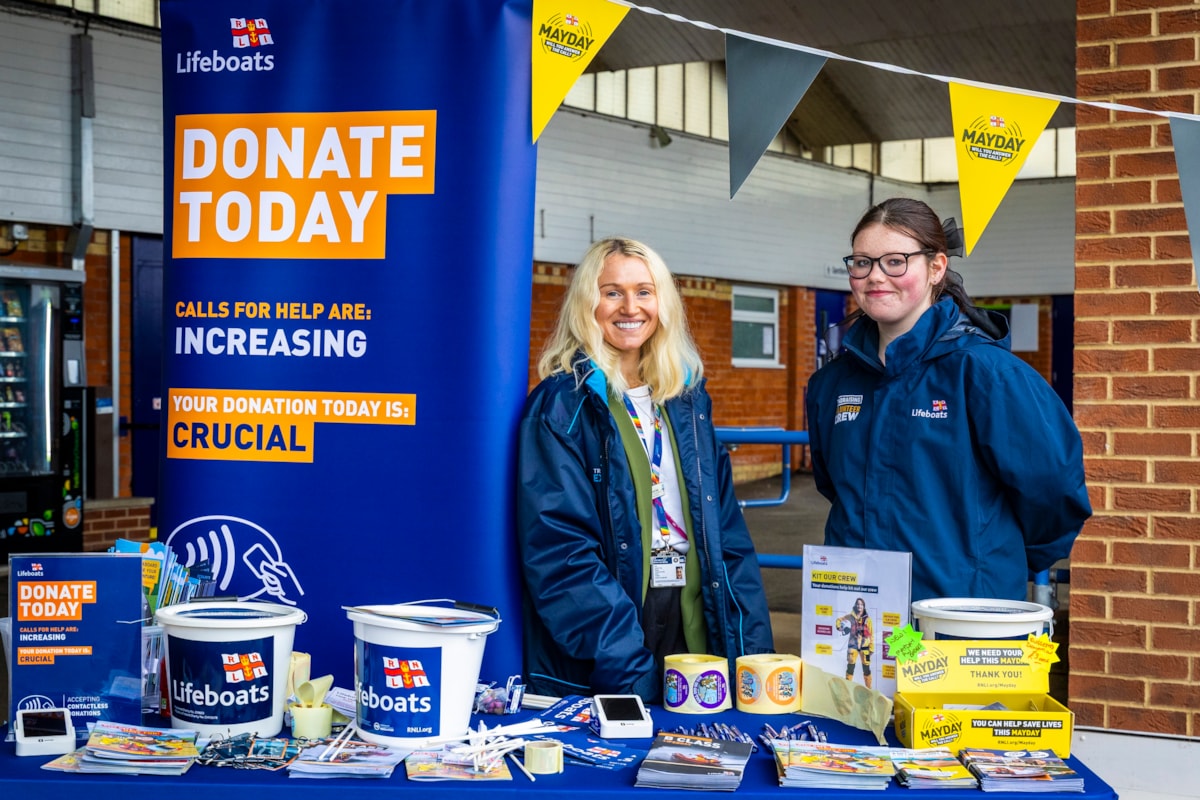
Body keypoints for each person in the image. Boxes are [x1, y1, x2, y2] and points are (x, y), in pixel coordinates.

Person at [517, 236, 775, 701]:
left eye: (644, 291)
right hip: (612, 628)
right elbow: (561, 551)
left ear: (663, 302)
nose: (629, 307)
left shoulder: (685, 398)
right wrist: (624, 658)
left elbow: (728, 536)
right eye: (611, 291)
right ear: (586, 303)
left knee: (696, 756)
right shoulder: (563, 404)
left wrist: (750, 650)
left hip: (691, 615)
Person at [806, 197, 1091, 603]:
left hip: (959, 613)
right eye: (862, 262)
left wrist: (986, 560)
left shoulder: (986, 375)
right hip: (858, 609)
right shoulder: (830, 385)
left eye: (895, 261)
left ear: (936, 267)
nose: (875, 276)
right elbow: (834, 485)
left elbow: (1054, 492)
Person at [835, 596, 874, 688]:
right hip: (853, 646)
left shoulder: (868, 620)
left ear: (864, 606)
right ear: (855, 606)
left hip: (865, 647)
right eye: (858, 604)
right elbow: (839, 620)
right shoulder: (850, 617)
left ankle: (869, 689)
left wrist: (871, 648)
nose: (859, 606)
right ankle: (848, 688)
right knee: (850, 667)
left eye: (861, 604)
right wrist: (839, 627)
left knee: (866, 669)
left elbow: (871, 634)